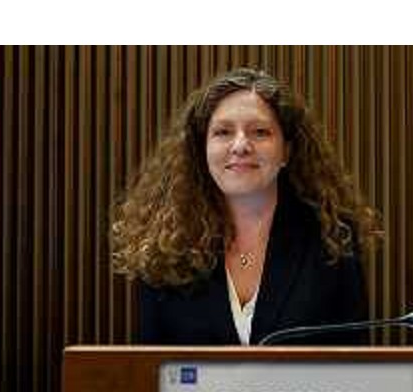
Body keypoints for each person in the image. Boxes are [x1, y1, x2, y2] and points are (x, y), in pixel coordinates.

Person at [111, 67, 383, 345]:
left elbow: (352, 362)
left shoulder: (333, 240)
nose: (240, 145)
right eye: (223, 132)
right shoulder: (165, 247)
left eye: (260, 132)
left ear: (286, 151)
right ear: (201, 150)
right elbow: (152, 364)